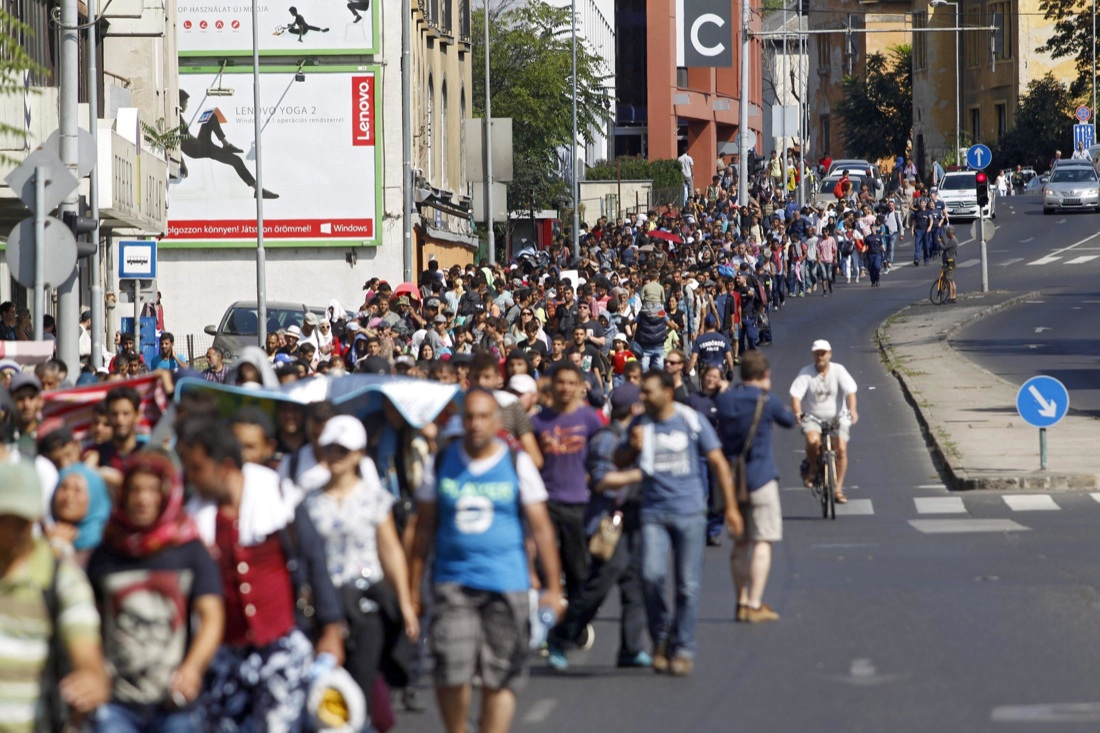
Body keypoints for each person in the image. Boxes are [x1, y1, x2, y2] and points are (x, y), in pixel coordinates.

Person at [409, 389, 564, 733]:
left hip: (507, 584)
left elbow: (541, 527)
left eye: (483, 417)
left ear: (497, 423)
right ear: (461, 422)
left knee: (501, 675)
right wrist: (413, 590)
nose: (476, 424)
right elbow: (421, 531)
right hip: (453, 584)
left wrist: (553, 587)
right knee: (451, 667)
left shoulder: (516, 461)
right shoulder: (443, 461)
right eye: (470, 417)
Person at [179, 419, 345, 732]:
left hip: (281, 644)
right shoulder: (195, 516)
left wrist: (331, 629)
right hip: (226, 653)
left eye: (198, 468)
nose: (191, 477)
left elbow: (314, 559)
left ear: (225, 466)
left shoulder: (278, 495)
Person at [617, 370, 742, 676]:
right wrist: (632, 447)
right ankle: (661, 636)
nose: (641, 398)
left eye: (647, 392)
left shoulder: (689, 420)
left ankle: (683, 648)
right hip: (653, 512)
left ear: (667, 393)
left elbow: (718, 461)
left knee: (687, 586)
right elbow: (619, 461)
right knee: (651, 575)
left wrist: (732, 509)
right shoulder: (640, 423)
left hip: (689, 513)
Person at [88, 452, 224, 732]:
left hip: (174, 704)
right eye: (135, 489)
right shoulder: (107, 552)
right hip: (117, 702)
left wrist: (193, 668)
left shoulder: (189, 549)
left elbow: (212, 615)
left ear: (167, 493)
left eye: (152, 489)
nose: (143, 498)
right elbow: (88, 620)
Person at [302, 416, 419, 725]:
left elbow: (391, 550)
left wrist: (406, 604)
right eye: (330, 448)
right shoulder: (308, 501)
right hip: (326, 607)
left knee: (361, 686)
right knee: (325, 693)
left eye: (343, 449)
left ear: (358, 454)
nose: (336, 456)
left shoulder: (374, 498)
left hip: (367, 606)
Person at [546, 384, 650, 672]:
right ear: (634, 409)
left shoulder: (634, 437)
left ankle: (631, 648)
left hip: (632, 520)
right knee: (597, 587)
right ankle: (560, 637)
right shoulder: (608, 440)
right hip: (608, 522)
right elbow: (602, 481)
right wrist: (640, 474)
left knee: (635, 586)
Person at [0, 462, 111, 732]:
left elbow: (84, 646)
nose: (11, 533)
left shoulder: (62, 579)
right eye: (3, 520)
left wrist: (91, 678)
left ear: (36, 517)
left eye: (21, 522)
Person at [715, 352, 797, 623]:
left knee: (740, 543)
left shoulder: (725, 400)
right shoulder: (767, 400)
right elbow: (789, 421)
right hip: (761, 477)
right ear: (765, 375)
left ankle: (739, 602)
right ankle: (754, 603)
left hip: (732, 482)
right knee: (762, 540)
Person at [530, 363, 605, 602]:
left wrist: (593, 477)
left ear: (580, 387)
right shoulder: (538, 421)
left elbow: (602, 454)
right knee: (544, 565)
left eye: (571, 383)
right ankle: (547, 617)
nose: (565, 388)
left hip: (578, 502)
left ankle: (574, 622)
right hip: (546, 502)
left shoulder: (590, 419)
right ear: (552, 385)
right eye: (561, 382)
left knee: (576, 568)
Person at [789, 340, 859, 504]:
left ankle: (838, 488)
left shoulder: (839, 370)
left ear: (829, 354)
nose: (820, 356)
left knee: (841, 448)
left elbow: (850, 391)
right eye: (817, 353)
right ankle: (813, 469)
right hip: (813, 417)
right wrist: (798, 413)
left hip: (838, 417)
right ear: (813, 355)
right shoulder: (806, 373)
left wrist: (852, 409)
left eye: (823, 353)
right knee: (812, 441)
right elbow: (796, 396)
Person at [178, 90, 278, 199]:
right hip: (196, 149)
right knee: (236, 160)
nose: (187, 105)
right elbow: (175, 143)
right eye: (185, 102)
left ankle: (226, 144)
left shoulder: (177, 115)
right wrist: (182, 164)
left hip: (198, 143)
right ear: (180, 102)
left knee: (211, 116)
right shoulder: (176, 118)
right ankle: (258, 190)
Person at [941, 225, 959, 303]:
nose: (947, 234)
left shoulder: (953, 240)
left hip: (950, 261)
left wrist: (939, 242)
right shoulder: (952, 240)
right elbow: (947, 246)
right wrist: (942, 241)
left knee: (949, 279)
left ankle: (951, 297)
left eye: (947, 233)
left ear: (950, 233)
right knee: (951, 280)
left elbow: (944, 248)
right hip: (951, 261)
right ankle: (953, 296)